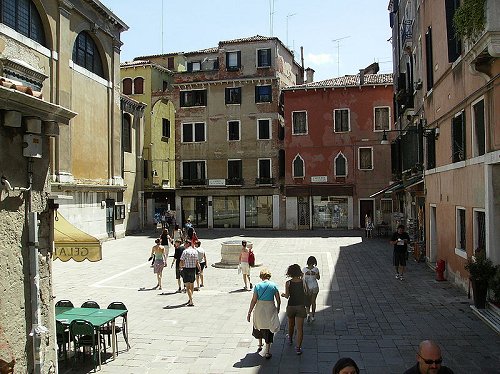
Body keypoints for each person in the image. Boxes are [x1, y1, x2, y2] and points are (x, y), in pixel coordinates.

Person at [247, 268, 280, 360]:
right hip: (270, 307)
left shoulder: (257, 286)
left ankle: (260, 343)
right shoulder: (274, 285)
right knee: (269, 327)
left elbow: (254, 300)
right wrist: (278, 307)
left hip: (260, 307)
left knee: (258, 324)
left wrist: (249, 312)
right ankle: (267, 351)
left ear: (261, 276)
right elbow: (278, 299)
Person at [281, 264, 307, 355]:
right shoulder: (303, 282)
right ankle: (298, 348)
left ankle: (290, 339)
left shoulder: (288, 283)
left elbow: (287, 296)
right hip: (300, 306)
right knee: (300, 329)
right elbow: (306, 292)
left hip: (291, 306)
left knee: (291, 324)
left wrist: (283, 295)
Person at [179, 239, 201, 306]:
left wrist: (181, 267)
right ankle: (190, 297)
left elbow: (181, 260)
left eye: (185, 244)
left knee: (187, 286)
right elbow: (197, 262)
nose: (184, 245)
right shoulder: (195, 251)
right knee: (192, 284)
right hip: (193, 269)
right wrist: (199, 270)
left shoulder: (185, 251)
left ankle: (191, 300)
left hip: (186, 269)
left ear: (187, 244)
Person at [303, 256, 320, 322]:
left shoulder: (304, 269)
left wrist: (305, 274)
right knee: (313, 302)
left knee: (307, 302)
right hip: (315, 286)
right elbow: (318, 278)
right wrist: (315, 274)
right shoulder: (316, 269)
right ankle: (312, 316)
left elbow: (303, 279)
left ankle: (308, 314)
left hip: (308, 288)